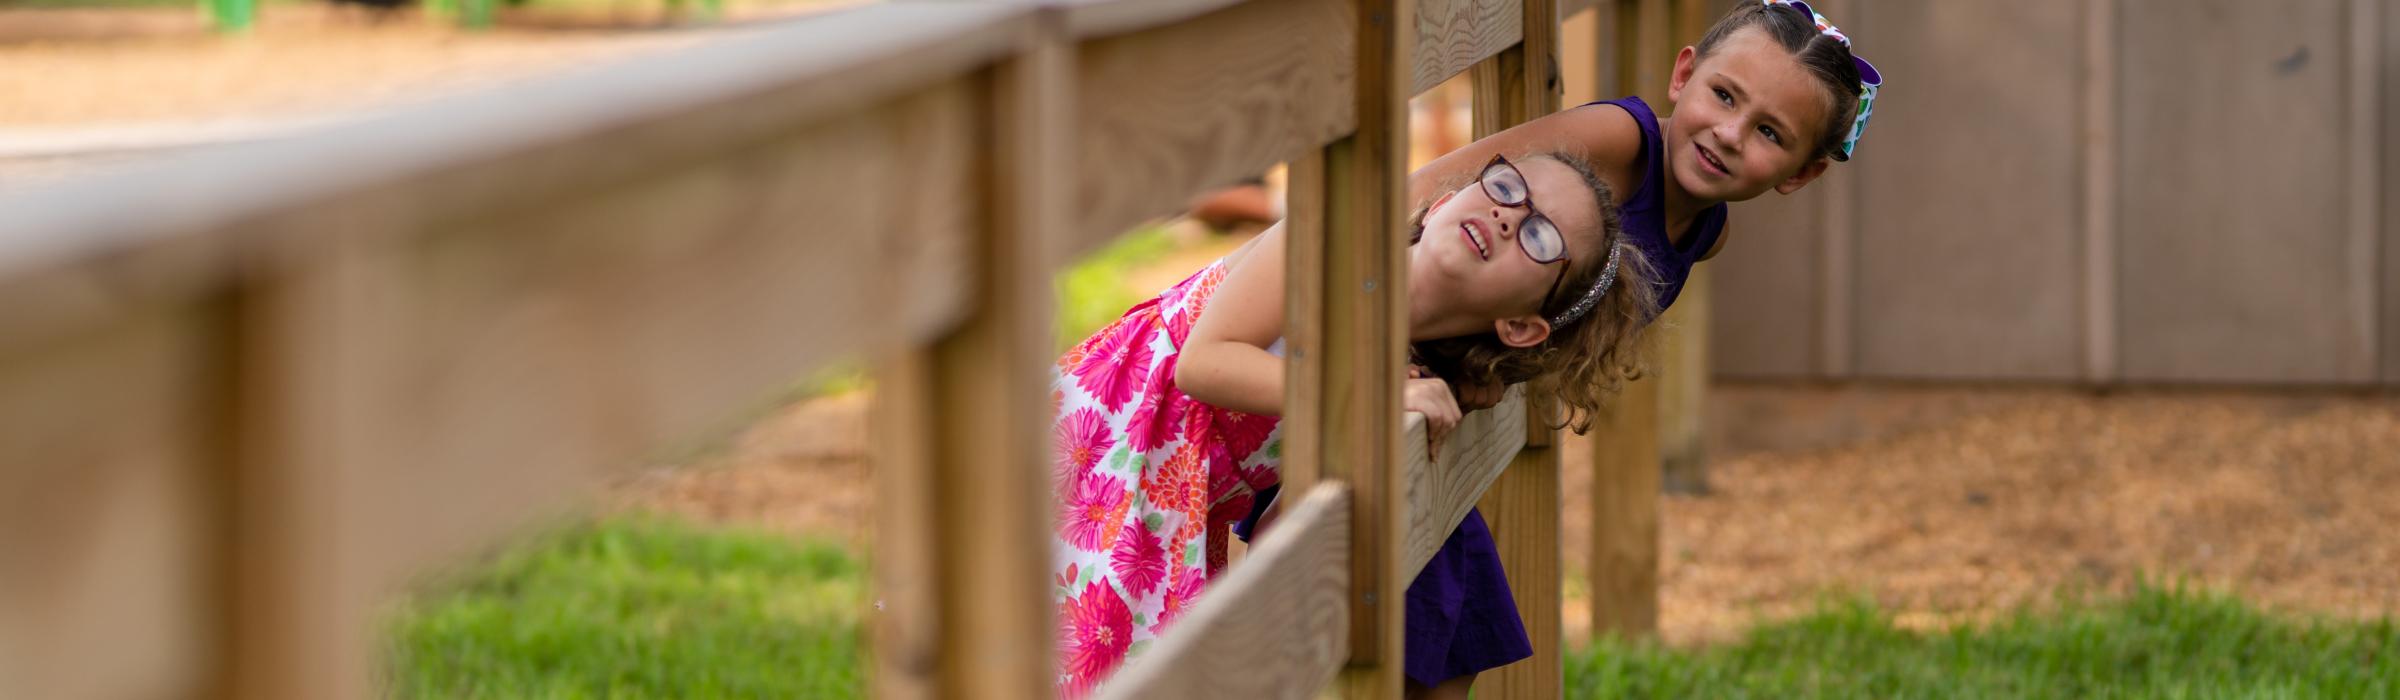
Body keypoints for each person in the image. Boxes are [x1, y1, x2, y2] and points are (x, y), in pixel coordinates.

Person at [1241, 2, 1885, 698]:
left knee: (1460, 637)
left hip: (1439, 404)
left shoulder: (1705, 234)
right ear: (1684, 73)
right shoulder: (1616, 141)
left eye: (1768, 132)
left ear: (1801, 173)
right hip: (1355, 367)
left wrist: (1493, 370)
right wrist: (1376, 353)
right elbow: (1431, 202)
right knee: (1351, 613)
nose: (1728, 134)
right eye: (1724, 95)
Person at [1050, 151, 1659, 697]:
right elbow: (1203, 364)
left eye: (1541, 235)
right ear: (1447, 200)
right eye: (1506, 187)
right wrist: (1374, 393)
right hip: (1099, 440)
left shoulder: (1413, 366)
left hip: (1169, 493)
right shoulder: (1329, 243)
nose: (1509, 216)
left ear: (1521, 326)